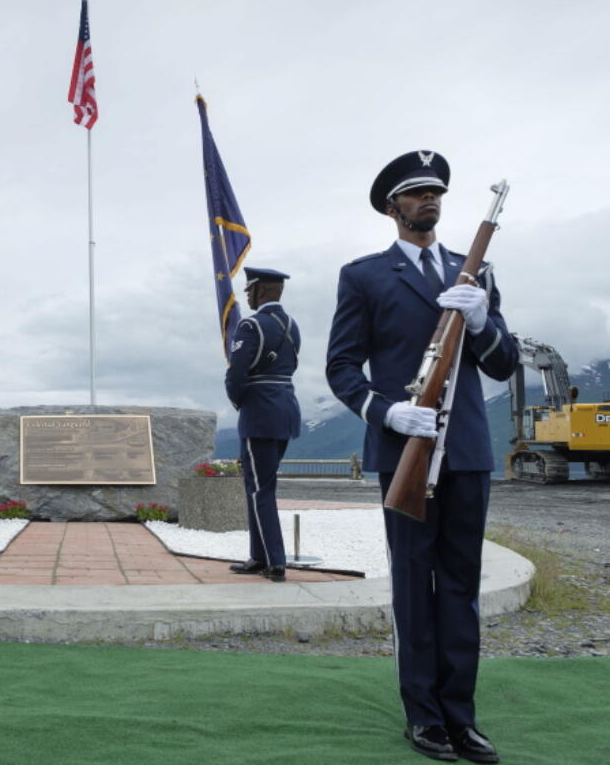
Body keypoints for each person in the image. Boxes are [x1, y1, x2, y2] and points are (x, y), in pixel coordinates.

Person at [326, 151, 517, 762]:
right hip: (403, 448)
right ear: (392, 207)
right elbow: (341, 367)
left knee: (460, 586)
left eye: (435, 192)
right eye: (415, 194)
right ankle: (424, 717)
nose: (428, 201)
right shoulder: (365, 276)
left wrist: (484, 320)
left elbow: (503, 363)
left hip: (464, 452)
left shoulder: (473, 273)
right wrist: (385, 412)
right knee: (414, 586)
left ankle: (462, 716)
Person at [224, 268, 302, 582]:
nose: (247, 295)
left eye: (249, 290)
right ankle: (258, 556)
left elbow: (237, 373)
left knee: (259, 490)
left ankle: (274, 560)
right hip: (286, 409)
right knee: (258, 487)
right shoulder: (292, 326)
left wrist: (238, 401)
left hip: (260, 411)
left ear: (261, 291)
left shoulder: (251, 325)